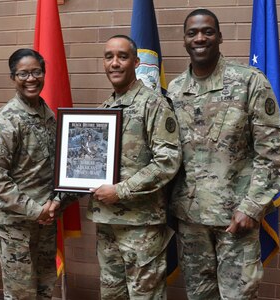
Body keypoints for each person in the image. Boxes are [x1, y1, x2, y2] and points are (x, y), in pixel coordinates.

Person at [167, 8, 280, 299]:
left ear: (219, 37)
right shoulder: (174, 90)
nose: (200, 38)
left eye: (207, 31)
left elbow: (272, 152)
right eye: (192, 33)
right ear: (184, 40)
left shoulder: (249, 82)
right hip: (192, 220)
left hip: (236, 221)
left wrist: (252, 207)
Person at [87, 35, 182, 299]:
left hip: (141, 227)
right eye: (109, 57)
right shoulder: (104, 110)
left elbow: (168, 161)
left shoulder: (153, 104)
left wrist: (122, 190)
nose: (114, 63)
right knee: (112, 295)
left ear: (136, 62)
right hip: (107, 223)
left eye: (122, 56)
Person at [0, 48, 62, 299]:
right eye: (23, 74)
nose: (31, 79)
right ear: (13, 77)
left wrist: (54, 203)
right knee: (21, 294)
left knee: (45, 288)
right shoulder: (6, 120)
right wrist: (35, 209)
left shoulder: (47, 114)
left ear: (44, 73)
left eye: (36, 72)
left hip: (44, 221)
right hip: (15, 226)